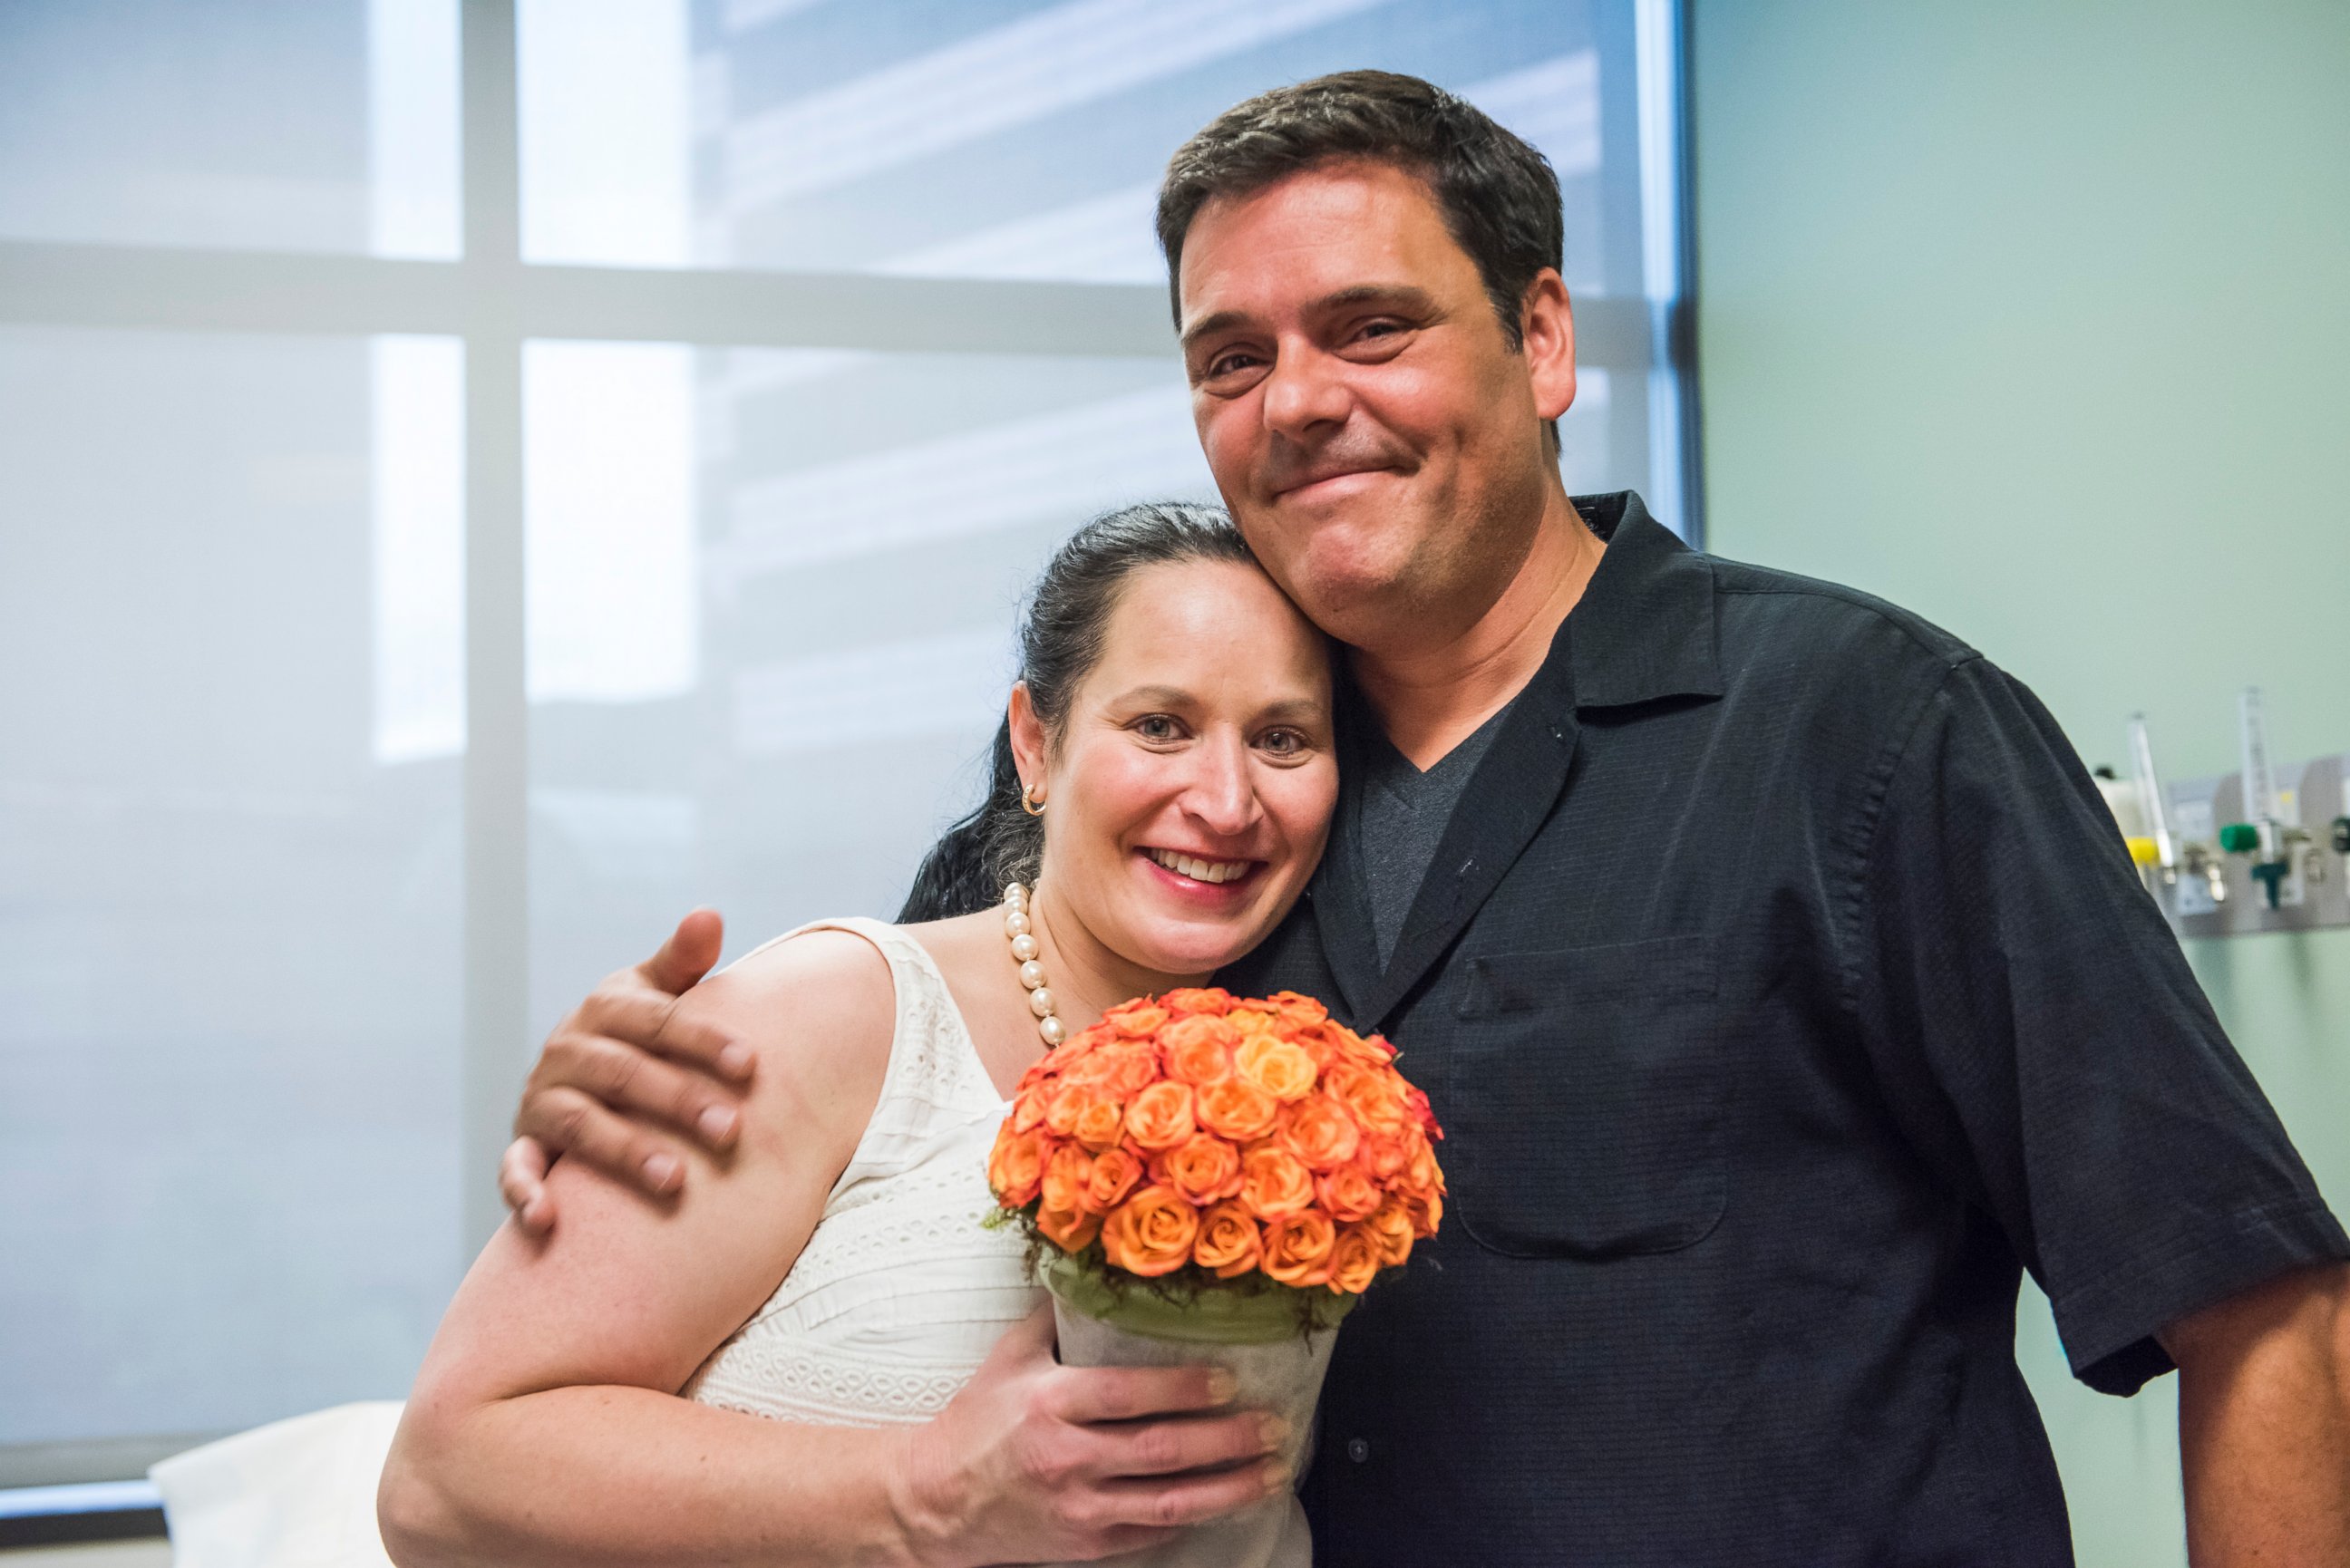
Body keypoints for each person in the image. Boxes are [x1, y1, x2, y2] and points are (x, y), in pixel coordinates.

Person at [500, 72, 2350, 1565]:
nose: (1301, 402)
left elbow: (2259, 1308)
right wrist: (626, 1090)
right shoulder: (1203, 809)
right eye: (1232, 357)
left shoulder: (1866, 730)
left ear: (1544, 339)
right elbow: (919, 1068)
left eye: (1370, 327)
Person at [377, 504, 1340, 1565]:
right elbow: (443, 1474)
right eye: (1160, 724)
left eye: (1282, 737)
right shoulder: (832, 1012)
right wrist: (917, 1493)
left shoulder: (1327, 1092)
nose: (1225, 798)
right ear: (1037, 741)